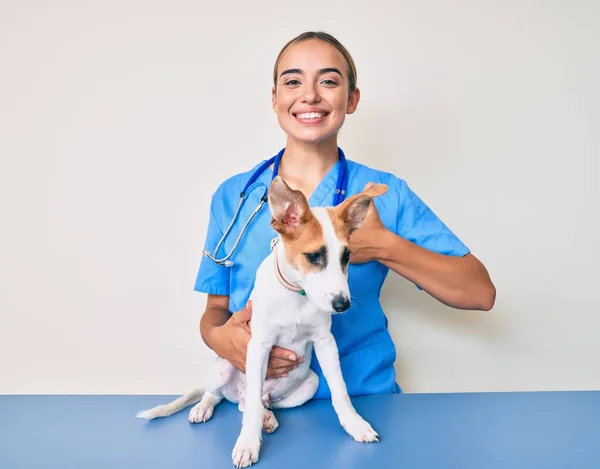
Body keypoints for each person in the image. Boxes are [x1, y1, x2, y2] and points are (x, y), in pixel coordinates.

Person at [194, 31, 496, 400]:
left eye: (328, 81)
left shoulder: (382, 194)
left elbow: (479, 292)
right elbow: (216, 308)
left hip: (362, 399)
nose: (309, 94)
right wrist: (218, 338)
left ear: (351, 99)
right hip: (257, 402)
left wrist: (385, 245)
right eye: (292, 81)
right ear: (275, 99)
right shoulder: (235, 196)